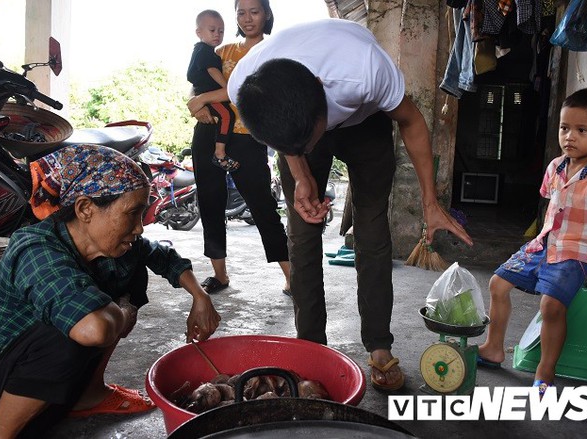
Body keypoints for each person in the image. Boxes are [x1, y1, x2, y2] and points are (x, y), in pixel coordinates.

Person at [228, 18, 473, 392]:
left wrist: (430, 202)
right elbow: (288, 139)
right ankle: (311, 346)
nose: (305, 151)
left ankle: (378, 345)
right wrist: (300, 170)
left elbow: (411, 122)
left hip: (366, 122)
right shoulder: (246, 84)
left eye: (307, 143)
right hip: (299, 123)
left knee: (372, 228)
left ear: (321, 92)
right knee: (303, 230)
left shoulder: (365, 71)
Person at [0, 144, 221, 438]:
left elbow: (163, 257)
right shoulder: (35, 248)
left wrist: (201, 297)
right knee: (74, 327)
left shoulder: (113, 244)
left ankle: (89, 394)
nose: (139, 228)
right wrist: (124, 312)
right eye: (133, 213)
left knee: (129, 273)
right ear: (85, 209)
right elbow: (93, 330)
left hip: (40, 393)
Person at [477, 87, 587, 395]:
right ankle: (493, 348)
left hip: (579, 252)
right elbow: (550, 205)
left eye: (582, 130)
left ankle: (546, 370)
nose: (570, 136)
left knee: (552, 305)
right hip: (547, 243)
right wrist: (534, 240)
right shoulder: (555, 166)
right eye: (564, 128)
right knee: (497, 284)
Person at [187, 0, 291, 297]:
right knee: (210, 202)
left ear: (266, 15)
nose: (247, 18)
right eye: (241, 13)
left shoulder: (274, 51)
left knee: (262, 205)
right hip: (209, 134)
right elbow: (196, 84)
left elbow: (246, 89)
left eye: (254, 12)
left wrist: (203, 99)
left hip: (248, 137)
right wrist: (197, 103)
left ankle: (290, 275)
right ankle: (219, 274)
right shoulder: (222, 51)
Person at [187, 9, 239, 172]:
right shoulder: (205, 51)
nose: (217, 34)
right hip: (208, 95)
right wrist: (226, 87)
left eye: (221, 31)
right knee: (226, 115)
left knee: (225, 115)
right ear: (198, 32)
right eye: (212, 30)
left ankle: (219, 151)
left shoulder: (202, 50)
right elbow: (212, 71)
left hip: (204, 94)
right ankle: (220, 153)